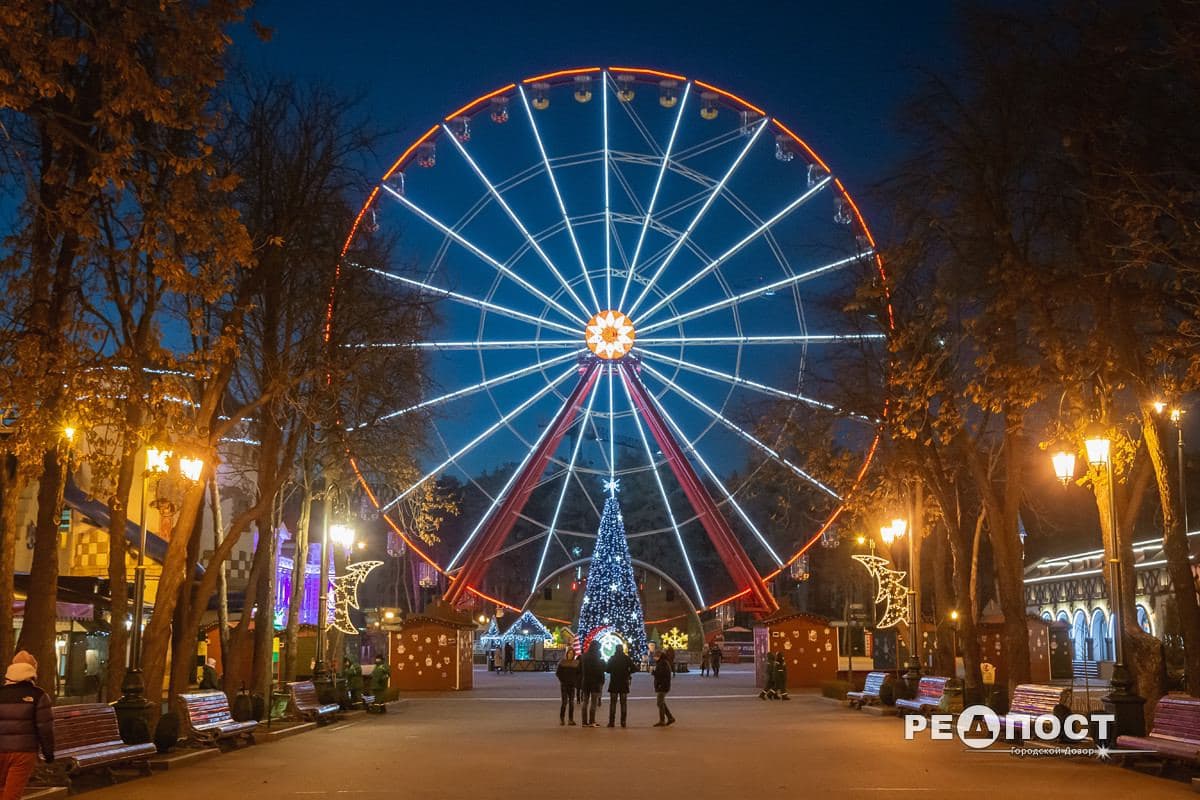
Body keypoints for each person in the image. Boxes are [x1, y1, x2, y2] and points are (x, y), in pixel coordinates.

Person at [0, 651, 54, 800]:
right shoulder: (39, 695)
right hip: (23, 752)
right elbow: (45, 727)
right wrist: (48, 753)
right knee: (12, 793)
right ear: (32, 671)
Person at [605, 644, 636, 728]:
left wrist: (613, 671)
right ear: (622, 649)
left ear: (615, 649)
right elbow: (634, 668)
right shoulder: (626, 658)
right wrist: (627, 673)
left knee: (613, 704)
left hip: (614, 683)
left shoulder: (612, 658)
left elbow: (607, 670)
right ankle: (623, 722)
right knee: (623, 704)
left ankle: (611, 722)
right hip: (624, 683)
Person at [579, 641, 605, 727]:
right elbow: (600, 671)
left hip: (585, 682)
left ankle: (584, 722)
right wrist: (601, 681)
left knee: (585, 702)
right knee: (593, 703)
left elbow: (580, 669)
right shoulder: (597, 658)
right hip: (595, 683)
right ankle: (592, 721)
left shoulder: (584, 656)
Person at [555, 649, 580, 725]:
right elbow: (558, 673)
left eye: (572, 653)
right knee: (564, 703)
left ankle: (570, 719)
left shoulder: (576, 663)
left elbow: (578, 673)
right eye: (569, 653)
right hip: (564, 685)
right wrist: (562, 680)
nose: (570, 655)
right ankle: (562, 719)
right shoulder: (562, 663)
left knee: (572, 703)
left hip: (572, 685)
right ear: (567, 654)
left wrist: (575, 681)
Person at [652, 650, 675, 727]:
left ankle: (663, 720)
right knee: (661, 703)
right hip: (663, 685)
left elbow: (661, 675)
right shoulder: (663, 662)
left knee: (660, 703)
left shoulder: (662, 663)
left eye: (655, 656)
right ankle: (670, 718)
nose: (654, 658)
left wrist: (654, 673)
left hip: (662, 686)